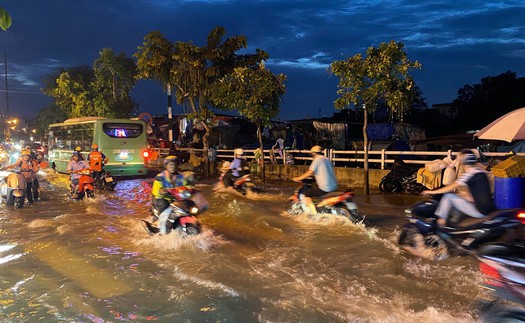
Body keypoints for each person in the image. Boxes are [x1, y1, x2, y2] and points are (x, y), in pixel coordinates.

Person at [421, 149, 495, 227]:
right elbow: (478, 193)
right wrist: (462, 194)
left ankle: (441, 223)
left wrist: (430, 192)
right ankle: (454, 222)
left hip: (480, 211)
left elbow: (450, 187)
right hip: (487, 208)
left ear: (463, 160)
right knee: (462, 193)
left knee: (448, 196)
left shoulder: (469, 174)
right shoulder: (480, 171)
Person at [292, 145, 338, 214]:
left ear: (314, 153)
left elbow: (310, 172)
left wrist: (298, 178)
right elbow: (323, 172)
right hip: (334, 187)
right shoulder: (326, 159)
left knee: (306, 194)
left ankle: (313, 214)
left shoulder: (317, 159)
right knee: (314, 189)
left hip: (325, 188)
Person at [150, 156, 185, 235]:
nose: (173, 167)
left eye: (174, 165)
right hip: (163, 199)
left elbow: (187, 185)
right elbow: (155, 190)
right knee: (165, 209)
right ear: (166, 166)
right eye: (170, 165)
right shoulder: (160, 177)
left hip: (176, 198)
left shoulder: (181, 176)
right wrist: (161, 191)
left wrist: (192, 189)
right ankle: (162, 229)